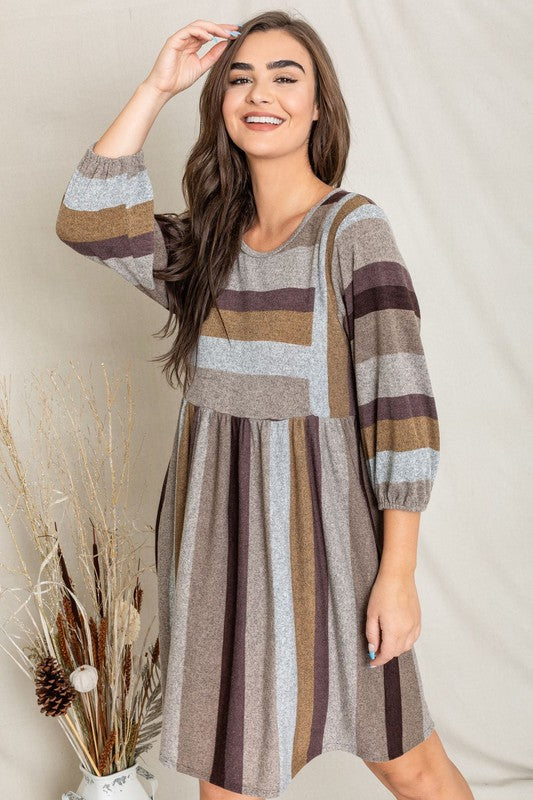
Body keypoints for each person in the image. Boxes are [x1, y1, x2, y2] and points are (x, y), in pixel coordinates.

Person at [56, 12, 474, 800]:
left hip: (333, 550)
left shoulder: (352, 231)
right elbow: (88, 222)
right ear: (220, 102)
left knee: (409, 764)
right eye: (240, 78)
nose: (260, 94)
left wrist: (397, 573)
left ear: (318, 106)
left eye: (286, 77)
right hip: (218, 548)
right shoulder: (207, 244)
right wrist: (157, 86)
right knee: (229, 777)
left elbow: (401, 407)